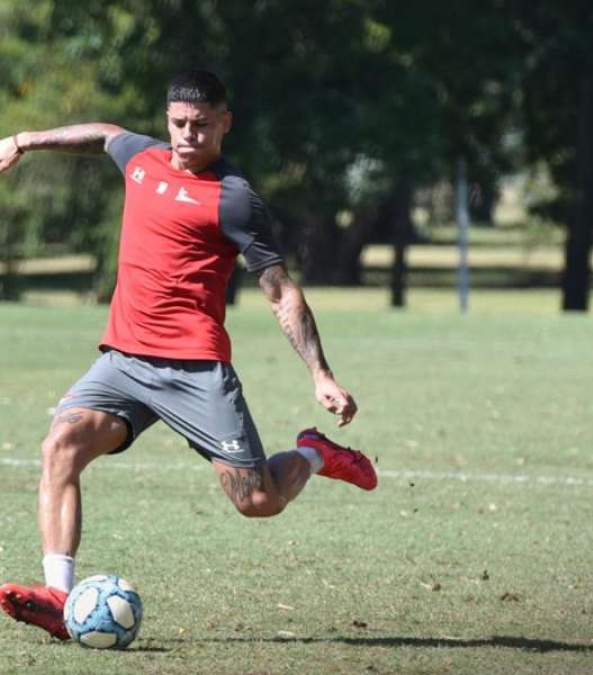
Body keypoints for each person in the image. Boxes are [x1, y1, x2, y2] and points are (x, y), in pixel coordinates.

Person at [0, 70, 377, 640]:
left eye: (201, 125)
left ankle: (315, 454)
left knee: (257, 501)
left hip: (194, 368)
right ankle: (58, 594)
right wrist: (25, 140)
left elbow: (280, 290)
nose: (187, 135)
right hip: (123, 361)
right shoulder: (141, 159)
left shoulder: (235, 198)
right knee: (60, 447)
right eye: (178, 123)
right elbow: (104, 134)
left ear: (225, 124)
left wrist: (320, 373)